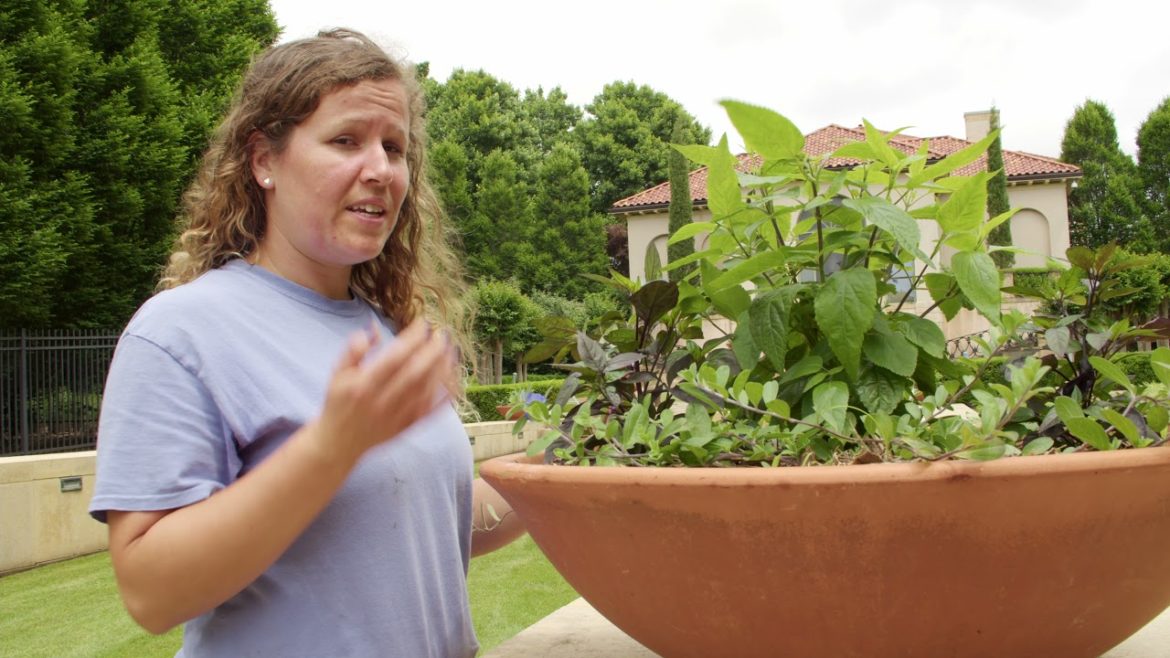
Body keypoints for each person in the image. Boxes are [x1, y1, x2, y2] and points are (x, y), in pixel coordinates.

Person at [89, 28, 524, 657]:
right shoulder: (178, 333)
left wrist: (568, 464)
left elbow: (427, 524)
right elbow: (152, 592)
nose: (379, 169)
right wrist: (331, 447)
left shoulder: (384, 328)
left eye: (394, 147)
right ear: (264, 159)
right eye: (345, 140)